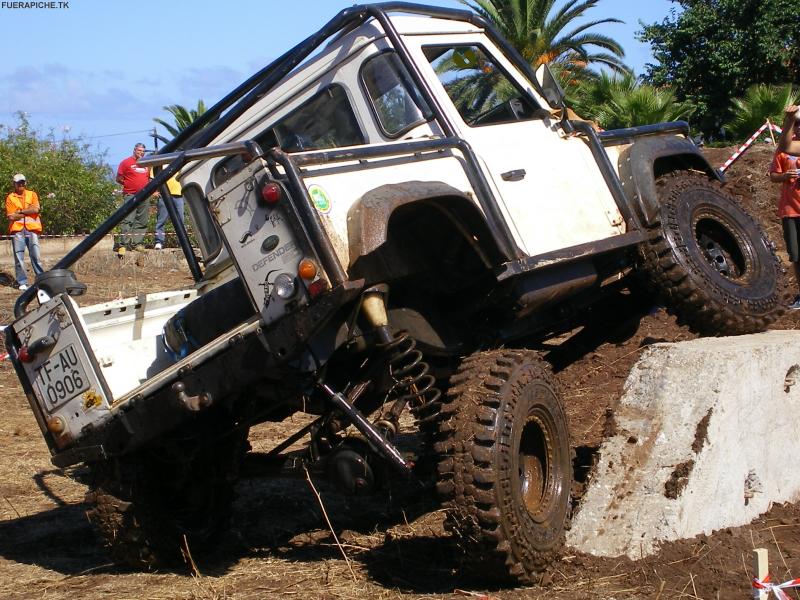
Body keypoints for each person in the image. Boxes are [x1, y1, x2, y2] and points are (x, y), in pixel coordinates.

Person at [770, 115, 800, 308]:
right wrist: (790, 119)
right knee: (797, 256)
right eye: (797, 125)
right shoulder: (786, 151)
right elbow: (785, 148)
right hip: (791, 210)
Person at [5, 174, 44, 291]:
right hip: (17, 230)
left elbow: (36, 209)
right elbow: (11, 217)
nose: (21, 184)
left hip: (32, 229)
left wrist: (20, 211)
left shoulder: (32, 194)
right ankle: (22, 282)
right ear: (14, 184)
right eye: (18, 182)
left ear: (25, 183)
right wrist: (28, 211)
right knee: (19, 256)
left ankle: (41, 280)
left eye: (23, 182)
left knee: (36, 256)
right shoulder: (10, 198)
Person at [115, 143, 151, 255]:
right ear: (134, 150)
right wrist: (129, 185)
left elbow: (148, 178)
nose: (141, 153)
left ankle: (137, 244)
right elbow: (119, 178)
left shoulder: (147, 164)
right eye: (139, 150)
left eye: (143, 151)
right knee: (128, 220)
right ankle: (122, 245)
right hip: (130, 195)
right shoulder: (125, 163)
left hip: (144, 195)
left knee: (142, 220)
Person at [152, 171, 184, 250]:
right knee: (161, 220)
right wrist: (154, 191)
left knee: (180, 220)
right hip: (163, 195)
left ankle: (182, 242)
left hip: (179, 195)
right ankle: (159, 242)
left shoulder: (180, 163)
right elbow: (152, 179)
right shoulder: (159, 163)